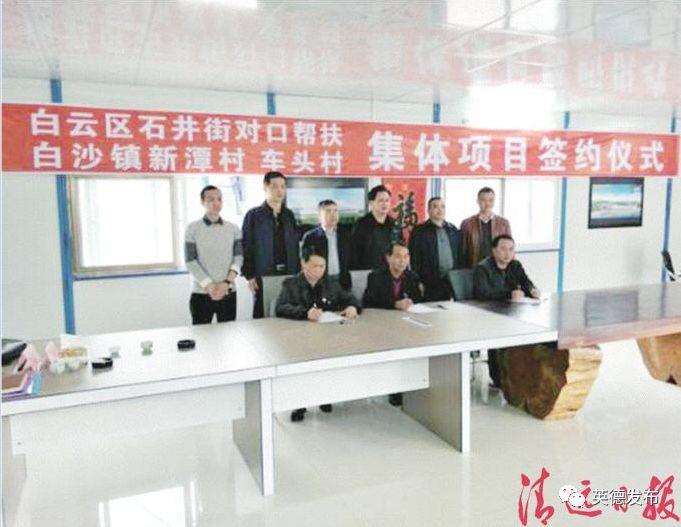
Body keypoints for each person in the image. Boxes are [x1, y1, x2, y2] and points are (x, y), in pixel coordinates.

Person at [276, 249, 361, 422]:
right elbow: (281, 307)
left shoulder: (331, 283)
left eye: (322, 266)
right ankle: (300, 404)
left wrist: (352, 307)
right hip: (299, 337)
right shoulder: (290, 284)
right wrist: (305, 313)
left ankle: (323, 397)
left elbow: (352, 299)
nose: (318, 270)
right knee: (303, 368)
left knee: (326, 363)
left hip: (326, 336)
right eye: (314, 266)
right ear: (303, 264)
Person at [473, 234, 541, 387]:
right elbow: (482, 293)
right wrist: (509, 294)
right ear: (494, 250)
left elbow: (526, 283)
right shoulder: (483, 268)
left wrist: (532, 290)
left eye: (511, 249)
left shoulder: (515, 265)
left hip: (513, 311)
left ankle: (520, 373)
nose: (507, 253)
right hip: (489, 313)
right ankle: (498, 378)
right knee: (498, 334)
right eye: (503, 249)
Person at [362, 242, 423, 407]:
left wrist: (411, 301)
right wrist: (395, 304)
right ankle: (394, 388)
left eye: (406, 257)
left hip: (406, 324)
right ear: (388, 258)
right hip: (381, 325)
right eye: (398, 256)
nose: (402, 261)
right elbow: (369, 301)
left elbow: (417, 299)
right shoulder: (375, 276)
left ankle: (412, 384)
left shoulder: (412, 277)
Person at [242, 171, 300, 319]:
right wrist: (249, 275)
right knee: (263, 313)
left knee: (290, 311)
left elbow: (295, 246)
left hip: (289, 272)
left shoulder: (289, 215)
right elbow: (246, 246)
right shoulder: (254, 215)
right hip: (263, 273)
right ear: (265, 187)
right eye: (275, 186)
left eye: (283, 186)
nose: (280, 190)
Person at [184, 185, 242, 324]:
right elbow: (190, 261)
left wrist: (226, 284)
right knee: (201, 335)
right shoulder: (192, 228)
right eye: (211, 199)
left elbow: (239, 258)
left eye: (219, 199)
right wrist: (209, 286)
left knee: (228, 334)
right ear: (202, 202)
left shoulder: (233, 228)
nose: (216, 203)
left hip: (228, 292)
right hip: (201, 293)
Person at [409, 196, 464, 301]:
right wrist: (417, 281)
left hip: (451, 281)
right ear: (429, 210)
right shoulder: (419, 231)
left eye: (442, 207)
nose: (440, 210)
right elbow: (414, 258)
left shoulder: (452, 229)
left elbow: (460, 255)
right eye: (435, 207)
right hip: (429, 282)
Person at [301, 199, 352, 290]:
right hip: (320, 283)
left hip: (342, 282)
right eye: (328, 211)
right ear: (319, 216)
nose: (333, 214)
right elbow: (305, 262)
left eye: (335, 211)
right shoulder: (311, 237)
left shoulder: (345, 235)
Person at [460, 187, 511, 268]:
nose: (487, 204)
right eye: (483, 200)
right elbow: (462, 251)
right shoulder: (467, 223)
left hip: (498, 268)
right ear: (478, 201)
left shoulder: (504, 223)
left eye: (491, 200)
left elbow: (510, 249)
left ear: (494, 201)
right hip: (475, 268)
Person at [350, 185, 398, 270]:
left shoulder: (394, 224)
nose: (385, 204)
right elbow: (354, 253)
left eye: (387, 200)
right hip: (367, 272)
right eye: (381, 200)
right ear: (371, 203)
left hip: (390, 272)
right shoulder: (361, 225)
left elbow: (399, 248)